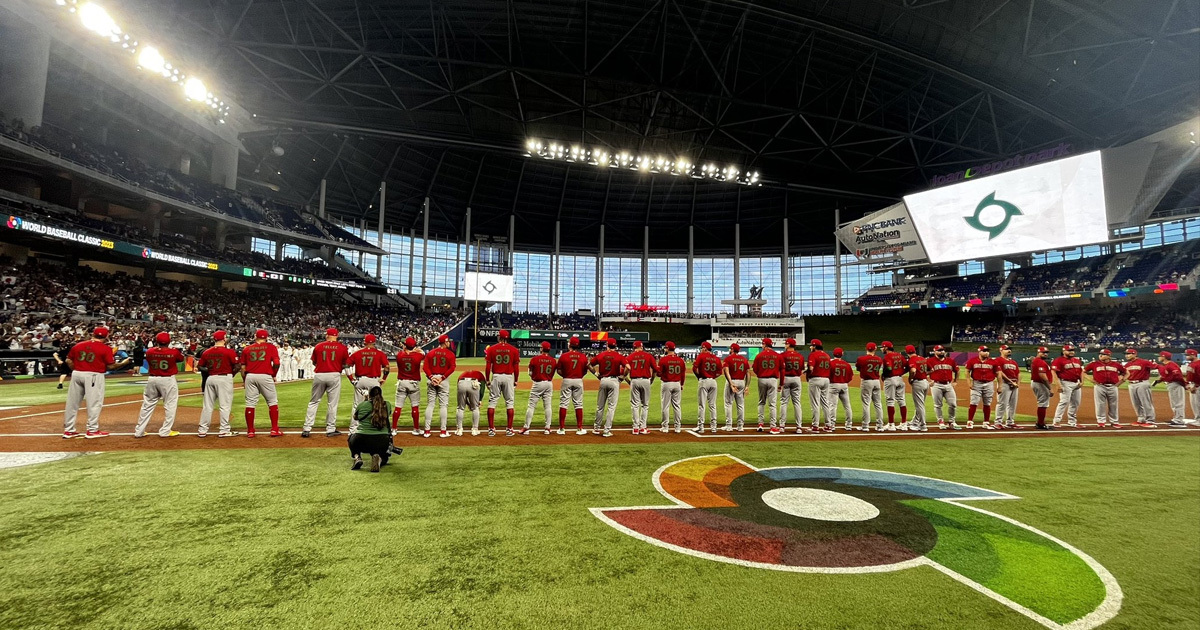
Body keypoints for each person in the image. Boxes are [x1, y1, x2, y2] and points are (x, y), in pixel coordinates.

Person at [62, 326, 132, 439]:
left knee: (72, 403)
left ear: (92, 334)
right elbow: (111, 366)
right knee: (94, 403)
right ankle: (92, 430)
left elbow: (68, 360)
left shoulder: (78, 345)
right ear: (106, 336)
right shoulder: (105, 348)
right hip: (93, 375)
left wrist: (78, 368)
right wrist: (124, 363)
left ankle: (68, 430)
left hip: (77, 373)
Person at [134, 332, 184, 438]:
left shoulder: (150, 351)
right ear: (169, 341)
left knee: (147, 405)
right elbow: (180, 359)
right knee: (170, 405)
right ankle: (165, 431)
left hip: (152, 379)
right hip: (167, 380)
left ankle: (139, 431)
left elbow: (149, 358)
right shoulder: (173, 352)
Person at [302, 328, 349, 438]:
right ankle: (330, 428)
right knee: (332, 403)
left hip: (319, 374)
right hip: (334, 374)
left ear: (327, 335)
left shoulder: (319, 346)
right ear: (337, 336)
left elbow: (314, 362)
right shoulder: (342, 347)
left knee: (314, 401)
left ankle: (306, 428)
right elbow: (345, 364)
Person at [198, 330, 241, 438]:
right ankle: (224, 430)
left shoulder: (207, 352)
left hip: (211, 378)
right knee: (224, 406)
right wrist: (232, 374)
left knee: (207, 406)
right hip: (224, 378)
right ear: (224, 338)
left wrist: (210, 371)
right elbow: (237, 365)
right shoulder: (229, 352)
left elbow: (200, 366)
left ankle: (202, 430)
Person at [241, 329, 283, 438]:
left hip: (250, 375)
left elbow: (243, 367)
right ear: (266, 337)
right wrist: (274, 374)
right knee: (272, 402)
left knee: (250, 403)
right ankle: (274, 429)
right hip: (265, 375)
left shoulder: (247, 349)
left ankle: (250, 431)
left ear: (256, 337)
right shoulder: (271, 347)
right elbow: (277, 363)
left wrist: (244, 379)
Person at [348, 386, 398, 472]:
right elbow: (386, 414)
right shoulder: (387, 405)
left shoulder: (362, 405)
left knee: (350, 438)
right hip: (382, 441)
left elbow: (355, 417)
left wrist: (365, 401)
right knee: (384, 456)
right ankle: (378, 457)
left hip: (361, 439)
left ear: (369, 395)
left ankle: (357, 457)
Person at [348, 334, 390, 432]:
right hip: (374, 381)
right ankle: (375, 426)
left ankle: (353, 430)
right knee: (376, 404)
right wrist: (384, 378)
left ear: (364, 342)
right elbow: (387, 367)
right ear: (374, 343)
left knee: (356, 405)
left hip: (360, 380)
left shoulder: (357, 353)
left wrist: (351, 378)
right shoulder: (380, 354)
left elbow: (346, 365)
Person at [485, 330, 521, 436]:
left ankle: (491, 429)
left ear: (500, 337)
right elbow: (516, 368)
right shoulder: (514, 350)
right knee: (509, 403)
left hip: (496, 376)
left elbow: (488, 367)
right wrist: (516, 380)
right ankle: (509, 429)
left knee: (492, 402)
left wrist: (487, 379)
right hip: (509, 377)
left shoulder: (492, 349)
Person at [590, 338, 626, 437]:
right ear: (615, 345)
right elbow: (628, 367)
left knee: (600, 406)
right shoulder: (619, 356)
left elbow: (588, 364)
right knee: (611, 407)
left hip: (603, 380)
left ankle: (596, 428)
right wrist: (623, 377)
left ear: (607, 345)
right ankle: (606, 430)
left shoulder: (601, 355)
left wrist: (596, 374)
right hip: (614, 381)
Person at [423, 334, 457, 437]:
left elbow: (425, 367)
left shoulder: (430, 353)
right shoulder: (450, 354)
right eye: (447, 342)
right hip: (443, 380)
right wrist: (441, 378)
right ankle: (443, 431)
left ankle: (427, 431)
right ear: (445, 342)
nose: (448, 343)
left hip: (432, 379)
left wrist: (431, 377)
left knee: (430, 405)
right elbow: (452, 368)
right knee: (443, 406)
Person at [556, 336, 589, 435]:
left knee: (563, 403)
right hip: (578, 380)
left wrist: (565, 376)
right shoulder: (583, 356)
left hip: (567, 380)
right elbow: (585, 370)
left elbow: (558, 370)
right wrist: (579, 376)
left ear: (570, 344)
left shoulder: (564, 356)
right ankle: (579, 428)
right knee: (578, 404)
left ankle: (561, 429)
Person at [1084, 349, 1125, 428]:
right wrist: (1091, 380)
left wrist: (1121, 380)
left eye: (1103, 354)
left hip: (1113, 386)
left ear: (1109, 356)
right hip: (1100, 386)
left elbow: (1125, 372)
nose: (1100, 355)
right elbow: (1083, 371)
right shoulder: (1094, 364)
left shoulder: (1116, 364)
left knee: (1113, 405)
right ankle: (1101, 421)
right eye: (1100, 354)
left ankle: (1114, 422)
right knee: (1100, 404)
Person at [523, 342, 558, 435]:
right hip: (549, 383)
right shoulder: (553, 360)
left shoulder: (535, 359)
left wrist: (533, 376)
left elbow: (530, 373)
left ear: (542, 349)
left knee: (531, 406)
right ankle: (547, 428)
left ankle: (526, 427)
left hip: (538, 383)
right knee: (547, 406)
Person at [393, 336, 424, 435]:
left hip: (402, 382)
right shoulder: (418, 356)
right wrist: (416, 350)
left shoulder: (399, 355)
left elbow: (403, 352)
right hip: (413, 383)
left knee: (398, 407)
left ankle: (394, 429)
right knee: (415, 407)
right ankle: (416, 429)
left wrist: (406, 350)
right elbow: (422, 353)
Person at [927, 345, 961, 430]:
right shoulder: (929, 361)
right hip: (936, 385)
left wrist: (956, 381)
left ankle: (951, 421)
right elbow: (923, 371)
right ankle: (940, 421)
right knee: (938, 405)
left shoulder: (950, 360)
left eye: (942, 350)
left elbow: (957, 370)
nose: (941, 352)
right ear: (935, 352)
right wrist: (928, 380)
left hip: (948, 384)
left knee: (953, 404)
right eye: (939, 350)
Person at [628, 340, 659, 435]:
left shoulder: (630, 356)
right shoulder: (648, 356)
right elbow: (655, 369)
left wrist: (629, 381)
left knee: (634, 405)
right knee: (645, 405)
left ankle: (635, 428)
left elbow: (624, 370)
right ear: (642, 347)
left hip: (634, 380)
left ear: (634, 347)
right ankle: (643, 427)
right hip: (646, 380)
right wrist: (652, 380)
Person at [752, 338, 782, 433]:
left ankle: (760, 424)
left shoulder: (759, 355)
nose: (762, 345)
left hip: (762, 379)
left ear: (765, 345)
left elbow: (755, 369)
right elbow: (782, 369)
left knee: (761, 402)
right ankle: (773, 427)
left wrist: (760, 375)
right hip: (773, 380)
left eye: (762, 344)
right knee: (772, 404)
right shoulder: (778, 356)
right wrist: (781, 383)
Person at [964, 345, 998, 429]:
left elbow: (998, 373)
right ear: (979, 352)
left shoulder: (993, 362)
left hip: (989, 383)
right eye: (984, 351)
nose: (986, 352)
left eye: (987, 351)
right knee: (974, 402)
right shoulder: (972, 361)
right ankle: (970, 422)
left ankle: (986, 422)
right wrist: (969, 383)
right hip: (977, 383)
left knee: (987, 403)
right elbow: (967, 371)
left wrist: (1000, 385)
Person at [690, 341, 721, 433]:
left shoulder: (701, 356)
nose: (701, 349)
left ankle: (701, 427)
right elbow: (720, 372)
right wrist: (713, 377)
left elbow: (694, 368)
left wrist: (698, 377)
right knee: (712, 405)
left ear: (705, 348)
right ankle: (714, 427)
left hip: (704, 381)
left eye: (702, 348)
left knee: (702, 405)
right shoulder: (717, 358)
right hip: (713, 382)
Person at [1051, 344, 1084, 428]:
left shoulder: (1076, 360)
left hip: (1076, 383)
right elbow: (1054, 372)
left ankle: (1072, 421)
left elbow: (1081, 371)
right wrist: (1058, 384)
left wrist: (1082, 381)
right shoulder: (1058, 360)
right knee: (1064, 402)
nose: (1071, 352)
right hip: (1065, 383)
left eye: (1072, 350)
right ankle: (1056, 421)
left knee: (1076, 403)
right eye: (1069, 350)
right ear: (1064, 351)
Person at [1123, 348, 1157, 428]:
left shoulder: (1144, 362)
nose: (1126, 355)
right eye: (1126, 354)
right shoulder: (1127, 365)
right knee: (1136, 403)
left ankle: (1150, 420)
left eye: (1128, 354)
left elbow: (1156, 366)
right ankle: (1141, 418)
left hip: (1142, 383)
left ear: (1134, 354)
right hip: (1131, 384)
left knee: (1146, 402)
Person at [657, 341, 686, 434]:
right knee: (677, 406)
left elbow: (659, 373)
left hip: (667, 383)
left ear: (668, 348)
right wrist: (682, 384)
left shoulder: (663, 360)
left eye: (665, 348)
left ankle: (665, 427)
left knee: (665, 406)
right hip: (677, 383)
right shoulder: (680, 360)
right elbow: (683, 374)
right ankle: (678, 427)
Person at [855, 342, 884, 431]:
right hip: (876, 381)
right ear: (875, 349)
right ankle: (880, 426)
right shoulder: (879, 359)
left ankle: (865, 426)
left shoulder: (861, 359)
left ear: (866, 348)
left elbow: (858, 368)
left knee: (866, 403)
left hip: (866, 381)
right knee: (878, 404)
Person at [1154, 351, 1188, 427]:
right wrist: (1160, 380)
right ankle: (1176, 418)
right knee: (1174, 403)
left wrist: (1184, 384)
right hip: (1172, 384)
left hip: (1176, 384)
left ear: (1164, 357)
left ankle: (1179, 420)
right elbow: (1168, 375)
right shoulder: (1166, 365)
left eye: (1160, 356)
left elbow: (1178, 376)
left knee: (1178, 403)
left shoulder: (1171, 365)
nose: (1158, 357)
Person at [805, 339, 832, 433]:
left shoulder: (813, 355)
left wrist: (806, 371)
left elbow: (811, 368)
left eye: (811, 345)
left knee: (815, 403)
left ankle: (815, 426)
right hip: (826, 380)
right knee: (825, 403)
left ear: (815, 346)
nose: (810, 347)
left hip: (815, 379)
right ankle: (828, 425)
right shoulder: (827, 355)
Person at [880, 341, 908, 431]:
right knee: (902, 401)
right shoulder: (900, 355)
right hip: (900, 379)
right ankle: (904, 423)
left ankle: (891, 424)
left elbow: (888, 368)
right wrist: (901, 373)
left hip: (890, 379)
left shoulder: (887, 356)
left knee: (890, 401)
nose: (882, 349)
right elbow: (907, 366)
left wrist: (884, 375)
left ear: (886, 348)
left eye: (883, 347)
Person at [723, 343, 751, 431]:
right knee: (740, 405)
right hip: (742, 382)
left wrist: (731, 383)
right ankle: (740, 426)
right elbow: (748, 373)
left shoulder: (728, 359)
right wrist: (747, 385)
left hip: (733, 380)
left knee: (728, 404)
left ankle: (729, 426)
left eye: (730, 349)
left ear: (732, 349)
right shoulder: (744, 359)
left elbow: (726, 371)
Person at [779, 338, 805, 432]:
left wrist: (780, 383)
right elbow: (802, 369)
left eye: (786, 344)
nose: (785, 345)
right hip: (796, 379)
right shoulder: (800, 356)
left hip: (786, 378)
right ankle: (799, 426)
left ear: (788, 345)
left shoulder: (782, 355)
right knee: (797, 403)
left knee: (784, 402)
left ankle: (782, 426)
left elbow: (780, 369)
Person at [993, 345, 1020, 430]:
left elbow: (1018, 373)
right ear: (1001, 350)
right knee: (1002, 403)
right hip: (1004, 384)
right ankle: (998, 422)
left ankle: (1010, 422)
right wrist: (1011, 382)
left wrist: (1017, 383)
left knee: (1013, 404)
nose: (1009, 351)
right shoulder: (998, 360)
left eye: (1009, 349)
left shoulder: (1013, 362)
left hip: (1014, 385)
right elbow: (1000, 373)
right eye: (1006, 349)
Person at [828, 348, 854, 431]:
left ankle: (832, 424)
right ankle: (849, 425)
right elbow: (850, 377)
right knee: (847, 406)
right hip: (844, 385)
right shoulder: (847, 364)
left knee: (832, 406)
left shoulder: (830, 363)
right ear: (842, 354)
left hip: (833, 385)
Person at [905, 344, 929, 432]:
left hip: (918, 383)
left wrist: (910, 378)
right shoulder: (922, 358)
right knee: (921, 404)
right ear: (915, 351)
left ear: (907, 352)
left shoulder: (912, 359)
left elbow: (913, 370)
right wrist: (924, 374)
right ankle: (915, 421)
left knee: (919, 405)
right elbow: (931, 370)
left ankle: (923, 425)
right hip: (926, 382)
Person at [1029, 347, 1055, 430]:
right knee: (1043, 404)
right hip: (1040, 383)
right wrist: (1050, 388)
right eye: (1043, 352)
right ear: (1038, 352)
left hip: (1037, 383)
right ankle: (1040, 423)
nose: (1045, 354)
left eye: (1047, 352)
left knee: (1043, 403)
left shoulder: (1037, 361)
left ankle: (1040, 422)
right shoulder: (1039, 361)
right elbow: (1042, 376)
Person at [456, 369, 486, 437]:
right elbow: (482, 388)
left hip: (461, 382)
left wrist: (467, 403)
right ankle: (475, 430)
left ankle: (459, 430)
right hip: (474, 383)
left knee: (460, 408)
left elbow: (459, 387)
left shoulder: (462, 374)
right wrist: (479, 400)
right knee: (475, 408)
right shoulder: (480, 375)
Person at [1186, 349, 1200, 424]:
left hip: (1197, 385)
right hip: (1193, 384)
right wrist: (1188, 384)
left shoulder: (1198, 364)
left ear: (1193, 355)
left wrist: (1196, 386)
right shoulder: (1191, 364)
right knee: (1194, 403)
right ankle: (1197, 418)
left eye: (1188, 355)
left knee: (1198, 403)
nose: (1186, 356)